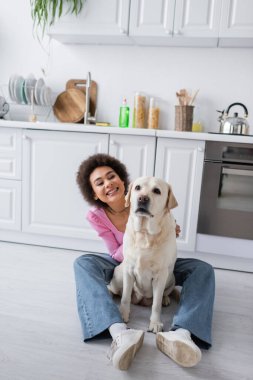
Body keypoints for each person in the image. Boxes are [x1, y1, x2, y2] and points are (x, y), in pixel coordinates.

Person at [74, 153, 215, 371]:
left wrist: (167, 230)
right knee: (82, 263)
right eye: (99, 183)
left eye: (112, 177)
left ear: (123, 181)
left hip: (161, 258)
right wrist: (136, 241)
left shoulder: (148, 197)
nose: (108, 184)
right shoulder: (96, 215)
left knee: (203, 269)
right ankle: (119, 332)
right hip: (122, 260)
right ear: (94, 193)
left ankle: (182, 333)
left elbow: (167, 220)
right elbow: (114, 252)